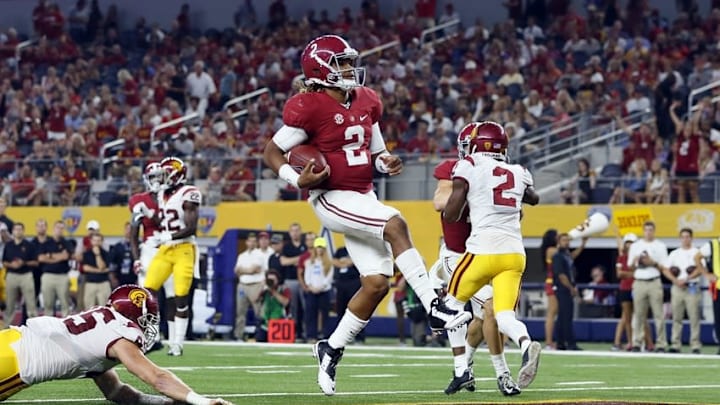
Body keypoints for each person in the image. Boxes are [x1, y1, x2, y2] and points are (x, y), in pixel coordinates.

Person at [263, 34, 470, 396]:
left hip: (363, 195)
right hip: (331, 196)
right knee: (395, 223)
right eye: (340, 62)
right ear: (320, 69)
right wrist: (296, 177)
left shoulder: (366, 100)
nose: (348, 68)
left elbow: (377, 151)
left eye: (347, 61)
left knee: (376, 284)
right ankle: (434, 305)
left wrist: (385, 161)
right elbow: (272, 151)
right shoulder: (308, 106)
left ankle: (331, 347)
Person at [0, 284, 233, 404]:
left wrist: (170, 404)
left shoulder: (98, 333)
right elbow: (158, 378)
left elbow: (118, 393)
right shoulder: (120, 334)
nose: (148, 325)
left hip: (12, 340)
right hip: (15, 365)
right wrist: (202, 401)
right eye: (148, 318)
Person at [440, 121, 541, 394]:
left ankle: (462, 369)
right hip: (514, 255)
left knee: (446, 308)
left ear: (476, 145)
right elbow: (534, 197)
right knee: (504, 315)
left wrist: (471, 197)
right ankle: (525, 343)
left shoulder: (470, 165)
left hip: (482, 252)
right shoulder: (518, 170)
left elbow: (450, 214)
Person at [431, 130, 518, 395]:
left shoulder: (502, 173)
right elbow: (439, 203)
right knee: (492, 309)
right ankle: (503, 374)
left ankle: (464, 367)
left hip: (487, 253)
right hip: (458, 257)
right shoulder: (455, 169)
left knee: (483, 321)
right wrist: (472, 187)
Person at [144, 157, 202, 357]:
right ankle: (151, 336)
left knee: (180, 298)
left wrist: (169, 235)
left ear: (177, 175)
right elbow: (166, 220)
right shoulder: (163, 194)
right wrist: (149, 215)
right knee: (147, 290)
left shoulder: (189, 193)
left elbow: (192, 227)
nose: (161, 179)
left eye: (165, 174)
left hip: (184, 249)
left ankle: (177, 343)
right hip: (166, 249)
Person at [130, 162, 173, 351]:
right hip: (149, 248)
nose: (157, 181)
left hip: (171, 247)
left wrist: (151, 213)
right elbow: (133, 232)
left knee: (174, 294)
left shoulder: (173, 198)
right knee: (147, 294)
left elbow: (167, 222)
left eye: (160, 176)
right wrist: (136, 258)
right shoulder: (138, 200)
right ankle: (150, 335)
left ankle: (174, 338)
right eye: (153, 177)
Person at [627, 220, 668, 352]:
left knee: (658, 314)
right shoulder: (636, 246)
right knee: (638, 314)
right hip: (639, 280)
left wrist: (652, 262)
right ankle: (637, 342)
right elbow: (630, 266)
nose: (648, 232)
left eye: (651, 230)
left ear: (654, 231)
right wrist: (636, 261)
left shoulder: (660, 246)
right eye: (646, 230)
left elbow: (664, 267)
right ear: (643, 231)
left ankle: (661, 343)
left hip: (654, 281)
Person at [662, 228, 701, 353]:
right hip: (677, 287)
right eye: (683, 237)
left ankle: (695, 345)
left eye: (687, 237)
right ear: (680, 238)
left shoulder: (697, 252)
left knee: (694, 317)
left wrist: (687, 278)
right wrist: (675, 280)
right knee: (676, 317)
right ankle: (675, 344)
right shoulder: (675, 253)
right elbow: (666, 269)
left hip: (692, 287)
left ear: (691, 238)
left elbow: (701, 268)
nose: (685, 239)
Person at [552, 233, 585, 351]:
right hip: (562, 289)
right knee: (566, 316)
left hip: (566, 288)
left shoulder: (566, 255)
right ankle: (570, 343)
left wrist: (583, 243)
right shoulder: (557, 256)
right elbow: (561, 275)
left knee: (562, 317)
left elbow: (574, 255)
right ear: (558, 242)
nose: (566, 242)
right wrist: (571, 288)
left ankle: (561, 343)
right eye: (564, 240)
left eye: (567, 240)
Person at [299, 237, 333, 342]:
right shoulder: (309, 262)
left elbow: (329, 278)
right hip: (312, 291)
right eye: (318, 247)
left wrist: (321, 287)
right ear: (315, 249)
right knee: (311, 314)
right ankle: (311, 335)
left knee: (325, 315)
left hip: (324, 291)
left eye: (322, 248)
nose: (320, 250)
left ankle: (325, 335)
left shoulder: (328, 263)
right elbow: (307, 276)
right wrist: (310, 286)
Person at [3, 223, 38, 326]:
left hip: (26, 275)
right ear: (13, 231)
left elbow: (35, 262)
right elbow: (4, 261)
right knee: (10, 303)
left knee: (31, 303)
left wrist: (24, 263)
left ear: (23, 231)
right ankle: (6, 327)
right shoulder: (8, 245)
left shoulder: (29, 245)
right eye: (16, 229)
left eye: (20, 229)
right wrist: (11, 264)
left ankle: (35, 328)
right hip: (12, 275)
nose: (18, 231)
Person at [36, 220, 72, 317]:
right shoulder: (46, 242)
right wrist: (58, 257)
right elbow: (40, 258)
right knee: (48, 304)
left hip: (62, 276)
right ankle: (49, 327)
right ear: (53, 229)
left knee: (65, 304)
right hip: (48, 275)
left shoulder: (66, 242)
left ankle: (67, 328)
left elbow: (66, 256)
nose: (59, 230)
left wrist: (50, 256)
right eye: (57, 227)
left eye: (61, 228)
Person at [233, 232, 265, 341]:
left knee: (259, 311)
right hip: (242, 285)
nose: (252, 243)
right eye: (250, 241)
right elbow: (236, 271)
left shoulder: (259, 254)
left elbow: (255, 270)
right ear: (246, 242)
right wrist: (248, 271)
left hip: (255, 285)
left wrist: (244, 270)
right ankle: (239, 335)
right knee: (240, 311)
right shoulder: (242, 255)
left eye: (254, 241)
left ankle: (260, 335)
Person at [332, 246, 364, 344]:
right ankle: (341, 336)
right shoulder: (340, 250)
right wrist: (346, 263)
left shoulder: (358, 249)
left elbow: (356, 261)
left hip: (354, 282)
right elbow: (334, 262)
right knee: (340, 310)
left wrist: (345, 262)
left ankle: (359, 337)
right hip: (341, 283)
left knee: (357, 310)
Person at [694, 234, 720, 354]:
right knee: (719, 318)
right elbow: (697, 257)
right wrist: (706, 274)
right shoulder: (712, 245)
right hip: (719, 287)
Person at [613, 232, 638, 351]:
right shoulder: (622, 257)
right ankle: (628, 342)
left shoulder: (637, 256)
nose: (629, 245)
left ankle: (622, 342)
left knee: (637, 317)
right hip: (626, 289)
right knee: (626, 318)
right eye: (627, 243)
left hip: (636, 288)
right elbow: (620, 274)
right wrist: (633, 274)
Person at [254, 270, 291, 342]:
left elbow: (285, 302)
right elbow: (255, 299)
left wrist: (273, 291)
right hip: (266, 324)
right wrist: (261, 287)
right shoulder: (265, 291)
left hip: (279, 324)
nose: (271, 282)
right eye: (269, 280)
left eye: (273, 280)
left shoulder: (283, 289)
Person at [540, 229, 559, 350]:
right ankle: (548, 342)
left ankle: (550, 341)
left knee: (554, 313)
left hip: (554, 283)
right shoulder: (551, 250)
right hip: (551, 283)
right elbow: (563, 253)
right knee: (551, 313)